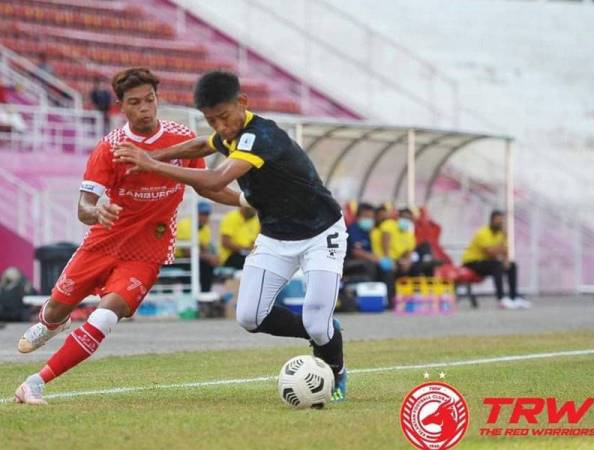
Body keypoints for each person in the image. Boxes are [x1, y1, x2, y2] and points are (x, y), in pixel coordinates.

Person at [114, 70, 349, 401]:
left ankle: (335, 371)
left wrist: (151, 164)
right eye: (211, 120)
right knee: (250, 317)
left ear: (242, 103)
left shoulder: (262, 135)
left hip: (321, 233)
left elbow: (213, 180)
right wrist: (156, 155)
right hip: (275, 236)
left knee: (315, 319)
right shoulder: (227, 133)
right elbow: (201, 144)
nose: (220, 127)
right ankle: (325, 332)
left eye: (224, 117)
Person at [13, 68, 242, 405]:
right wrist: (97, 211)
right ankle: (51, 322)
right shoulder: (110, 148)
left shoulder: (182, 139)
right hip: (103, 242)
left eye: (150, 100)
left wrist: (249, 201)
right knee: (57, 308)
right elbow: (84, 206)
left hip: (147, 251)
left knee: (105, 316)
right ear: (122, 107)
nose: (145, 108)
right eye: (135, 103)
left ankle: (35, 382)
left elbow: (209, 186)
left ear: (157, 99)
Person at [462, 210, 530, 309]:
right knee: (497, 264)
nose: (500, 223)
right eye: (498, 220)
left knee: (512, 265)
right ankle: (501, 299)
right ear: (492, 220)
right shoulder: (483, 233)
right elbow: (490, 252)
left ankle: (513, 297)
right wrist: (502, 245)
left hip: (487, 262)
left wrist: (506, 261)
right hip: (472, 263)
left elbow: (505, 251)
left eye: (501, 221)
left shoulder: (501, 235)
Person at [344, 202, 395, 303]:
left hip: (374, 260)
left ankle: (387, 300)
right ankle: (370, 298)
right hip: (352, 262)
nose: (369, 219)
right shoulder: (353, 230)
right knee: (370, 265)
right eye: (366, 216)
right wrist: (377, 259)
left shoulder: (374, 231)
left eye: (371, 217)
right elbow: (356, 252)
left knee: (388, 270)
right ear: (358, 217)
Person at [176, 201, 219, 292]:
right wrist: (207, 257)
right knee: (193, 265)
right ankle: (188, 295)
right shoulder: (185, 224)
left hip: (192, 258)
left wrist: (212, 257)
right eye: (202, 214)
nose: (205, 217)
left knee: (208, 264)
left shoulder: (206, 229)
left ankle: (205, 294)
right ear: (195, 214)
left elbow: (205, 248)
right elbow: (186, 251)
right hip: (178, 259)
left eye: (207, 214)